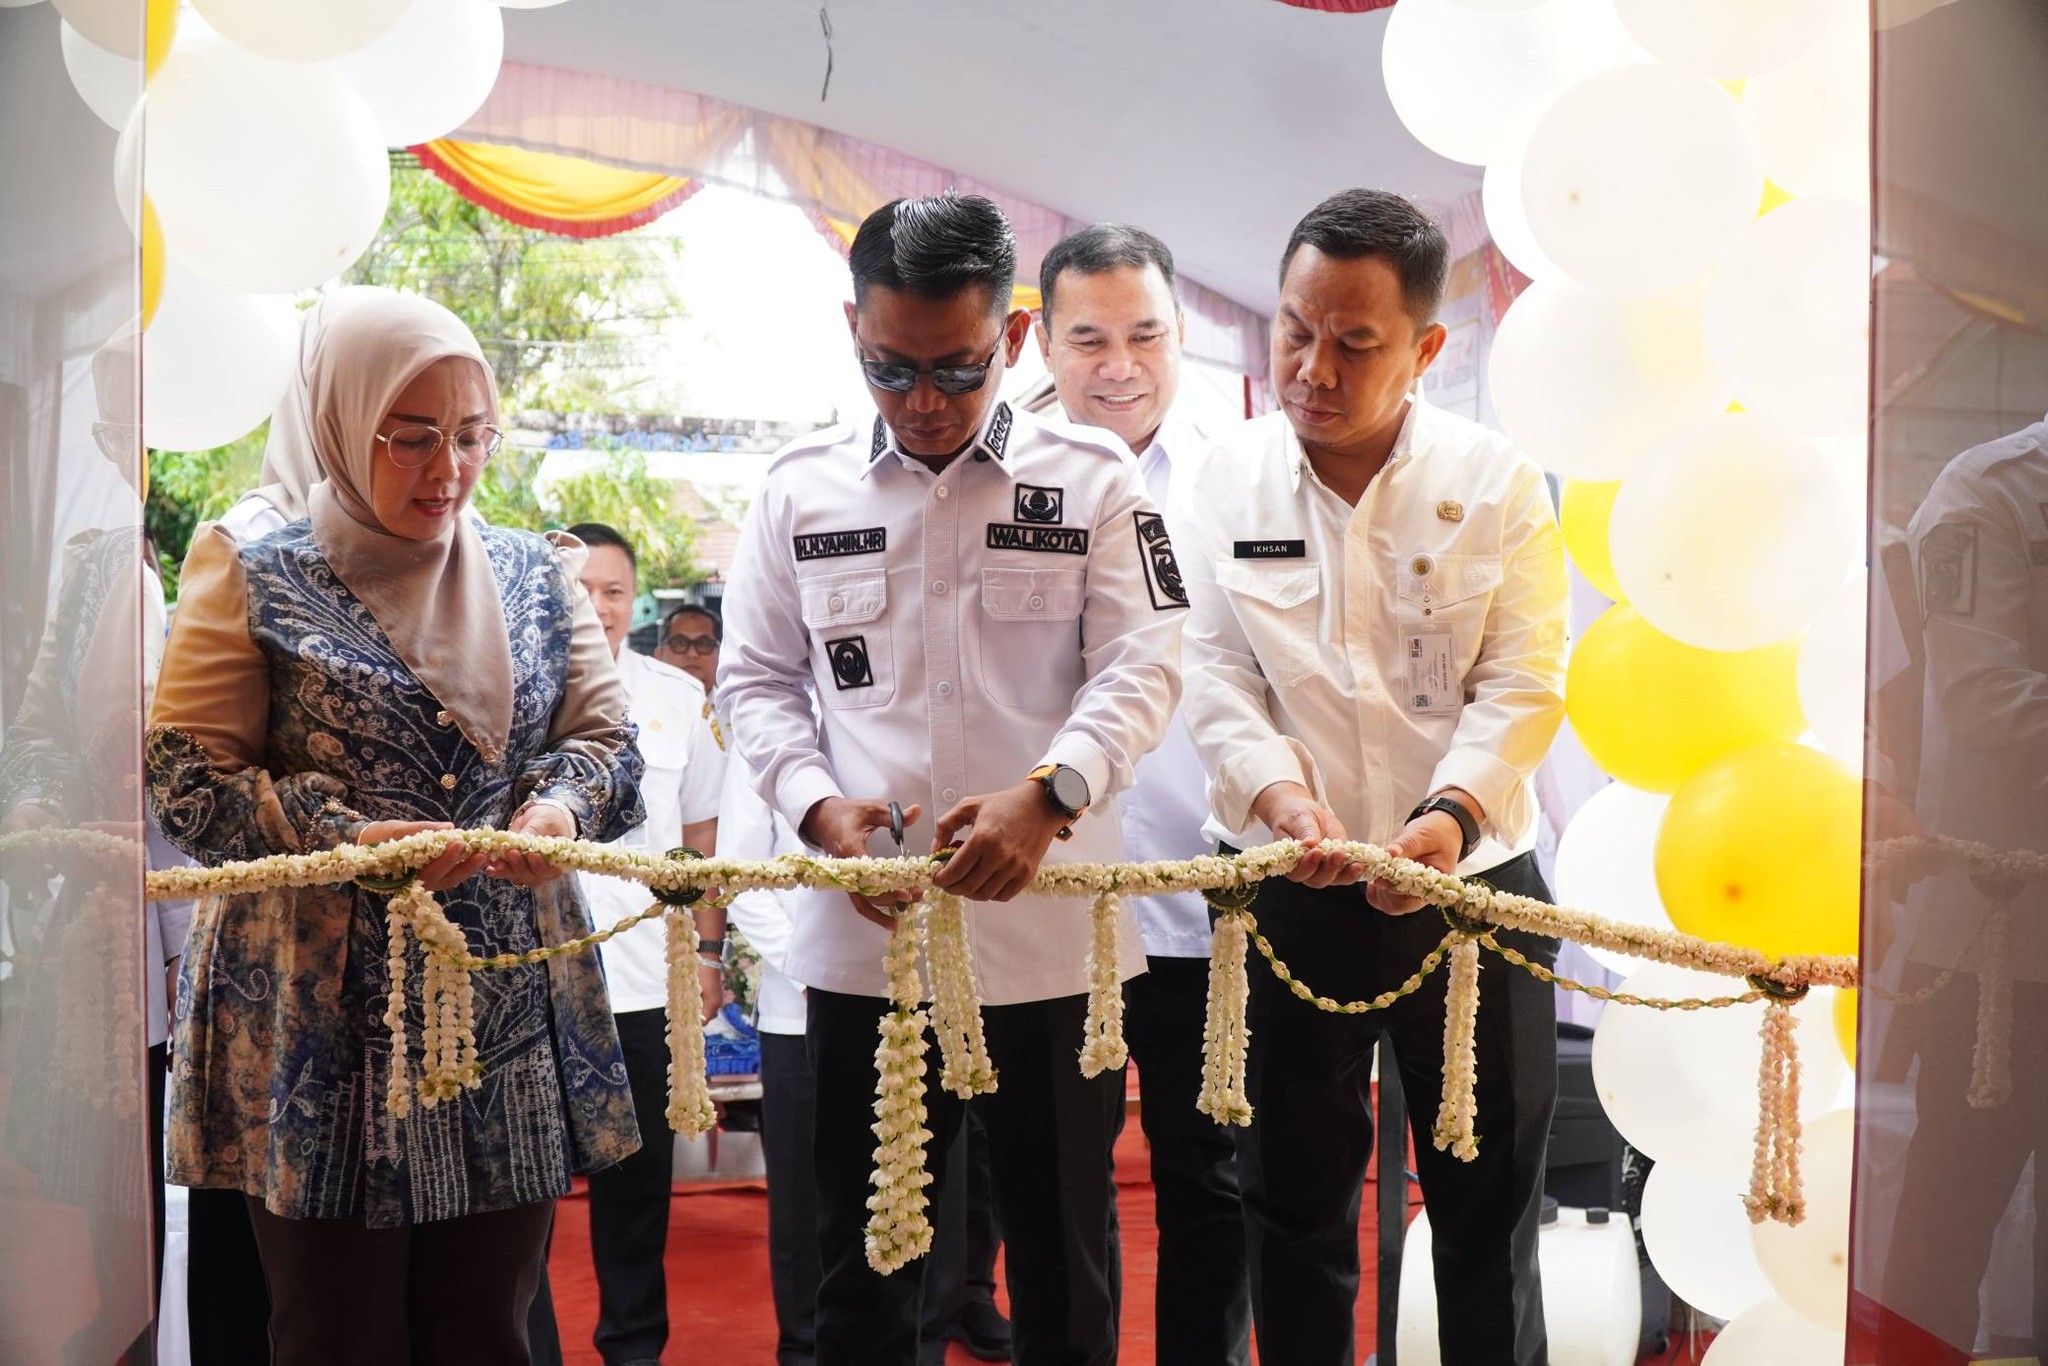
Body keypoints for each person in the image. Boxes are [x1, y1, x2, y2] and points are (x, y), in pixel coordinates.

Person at [718, 191, 1186, 1366]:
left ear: (1015, 335)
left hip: (1052, 937)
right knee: (863, 1269)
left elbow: (1145, 661)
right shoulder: (795, 489)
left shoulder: (1096, 479)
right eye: (889, 368)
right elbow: (755, 684)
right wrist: (820, 810)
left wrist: (1052, 795)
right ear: (851, 327)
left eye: (958, 370)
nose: (923, 402)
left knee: (1064, 1262)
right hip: (863, 935)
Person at [145, 291, 648, 1366]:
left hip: (500, 1000)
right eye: (411, 438)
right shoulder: (254, 570)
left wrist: (555, 806)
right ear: (338, 420)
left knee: (487, 1325)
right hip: (314, 1019)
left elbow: (608, 740)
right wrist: (339, 834)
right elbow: (186, 776)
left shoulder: (533, 573)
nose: (447, 470)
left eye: (471, 437)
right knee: (335, 1331)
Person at [1168, 188, 1569, 1366]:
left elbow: (1525, 677)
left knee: (1483, 1212)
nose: (1312, 366)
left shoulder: (1496, 484)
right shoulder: (1222, 477)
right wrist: (1281, 807)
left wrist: (1443, 822)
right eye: (1294, 329)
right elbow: (1212, 670)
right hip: (1288, 885)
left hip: (1472, 892)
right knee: (1289, 1207)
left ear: (1426, 349)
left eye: (1354, 342)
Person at [1036, 222, 1251, 1365]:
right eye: (1088, 338)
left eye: (1144, 334)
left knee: (1208, 1178)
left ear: (1182, 334)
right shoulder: (1003, 463)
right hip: (1053, 900)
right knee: (1055, 1188)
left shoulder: (1239, 468)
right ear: (1043, 341)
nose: (1118, 363)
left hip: (1205, 898)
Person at [567, 521, 726, 1366]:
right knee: (522, 1183)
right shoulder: (503, 690)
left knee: (637, 1184)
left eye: (615, 590)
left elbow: (699, 834)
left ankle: (633, 1345)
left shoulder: (675, 697)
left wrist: (706, 953)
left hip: (641, 980)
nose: (598, 607)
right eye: (580, 588)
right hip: (538, 978)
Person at [656, 602, 723, 695]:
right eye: (680, 643)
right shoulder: (636, 706)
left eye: (703, 644)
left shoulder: (734, 707)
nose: (692, 654)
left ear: (721, 656)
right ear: (658, 656)